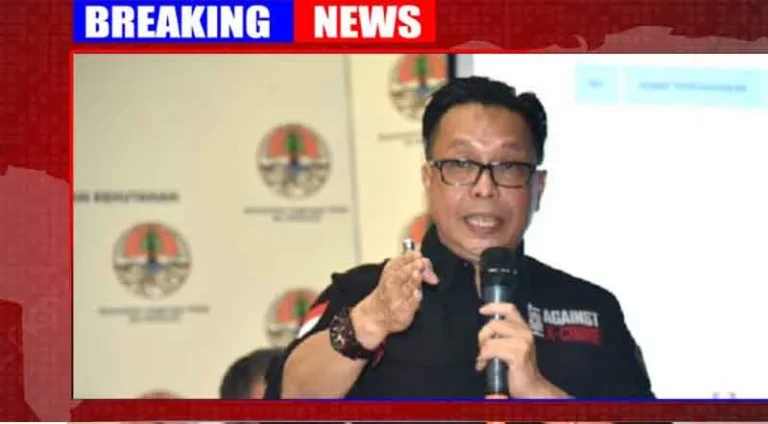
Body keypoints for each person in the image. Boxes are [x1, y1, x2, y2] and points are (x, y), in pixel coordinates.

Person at [264, 76, 656, 401]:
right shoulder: (364, 293)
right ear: (428, 179)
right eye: (462, 164)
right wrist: (371, 321)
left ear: (537, 187)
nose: (485, 188)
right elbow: (286, 399)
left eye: (508, 166)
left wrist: (541, 396)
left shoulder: (591, 307)